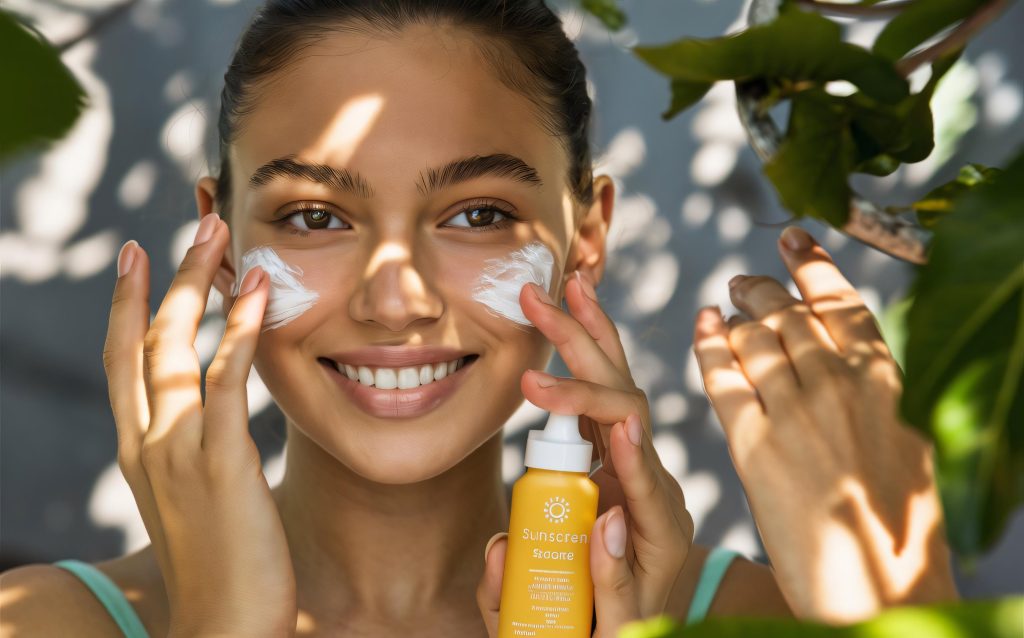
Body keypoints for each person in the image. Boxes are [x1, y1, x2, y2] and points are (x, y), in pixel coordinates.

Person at [0, 1, 958, 636]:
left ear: (587, 237)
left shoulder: (764, 618)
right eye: (315, 216)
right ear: (219, 239)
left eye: (478, 215)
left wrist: (906, 597)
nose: (396, 297)